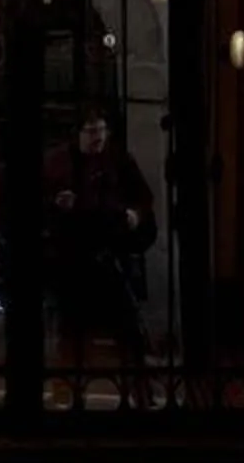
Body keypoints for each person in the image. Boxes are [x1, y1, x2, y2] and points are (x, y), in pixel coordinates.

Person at [38, 110, 158, 361]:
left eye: (102, 131)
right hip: (70, 253)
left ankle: (136, 381)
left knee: (126, 320)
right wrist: (56, 203)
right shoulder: (57, 161)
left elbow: (143, 198)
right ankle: (68, 380)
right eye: (92, 131)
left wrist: (135, 214)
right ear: (78, 134)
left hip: (111, 250)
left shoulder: (118, 159)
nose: (98, 137)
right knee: (70, 324)